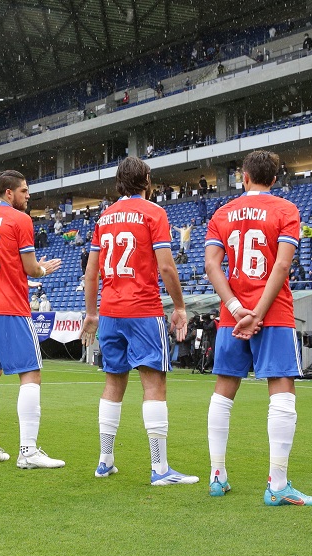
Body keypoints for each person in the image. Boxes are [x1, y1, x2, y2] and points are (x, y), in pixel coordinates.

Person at [204, 150, 312, 505]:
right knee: (281, 390)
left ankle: (217, 475)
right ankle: (278, 485)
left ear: (244, 176)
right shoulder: (286, 211)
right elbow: (281, 267)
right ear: (275, 177)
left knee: (224, 391)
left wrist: (238, 309)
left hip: (231, 317)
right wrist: (258, 313)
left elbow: (211, 265)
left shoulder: (221, 214)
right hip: (275, 313)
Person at [80, 156, 195, 485]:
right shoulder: (154, 213)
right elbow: (167, 267)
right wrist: (180, 306)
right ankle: (160, 469)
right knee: (154, 385)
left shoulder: (104, 217)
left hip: (111, 311)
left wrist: (92, 313)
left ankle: (105, 461)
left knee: (113, 383)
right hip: (143, 310)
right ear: (146, 181)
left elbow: (91, 272)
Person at [0, 170, 64, 469]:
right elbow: (30, 268)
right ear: (8, 193)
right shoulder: (20, 220)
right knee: (31, 373)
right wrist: (44, 270)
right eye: (24, 191)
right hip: (9, 306)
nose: (28, 196)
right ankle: (28, 451)